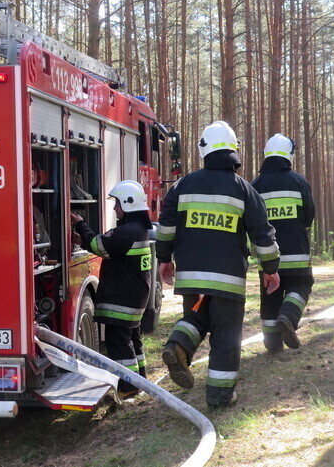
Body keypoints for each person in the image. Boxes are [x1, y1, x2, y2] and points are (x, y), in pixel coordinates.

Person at [156, 121, 281, 408]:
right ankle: (220, 396)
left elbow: (165, 227)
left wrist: (164, 259)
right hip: (228, 281)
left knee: (196, 318)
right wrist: (271, 269)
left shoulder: (182, 185)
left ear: (204, 150)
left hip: (192, 280)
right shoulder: (244, 190)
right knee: (225, 335)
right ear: (234, 151)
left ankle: (178, 345)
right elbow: (263, 235)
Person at [71, 180, 153, 397]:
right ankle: (140, 380)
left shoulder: (127, 231)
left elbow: (100, 245)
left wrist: (80, 224)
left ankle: (128, 387)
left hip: (123, 299)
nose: (115, 208)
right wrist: (83, 240)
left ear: (127, 204)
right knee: (133, 340)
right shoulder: (138, 230)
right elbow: (111, 249)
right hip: (134, 298)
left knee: (119, 342)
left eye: (117, 204)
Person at [251, 133, 315, 352]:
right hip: (297, 253)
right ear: (289, 155)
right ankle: (288, 316)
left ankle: (272, 344)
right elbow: (309, 216)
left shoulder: (255, 185)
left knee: (270, 295)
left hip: (269, 259)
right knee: (301, 285)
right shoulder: (299, 181)